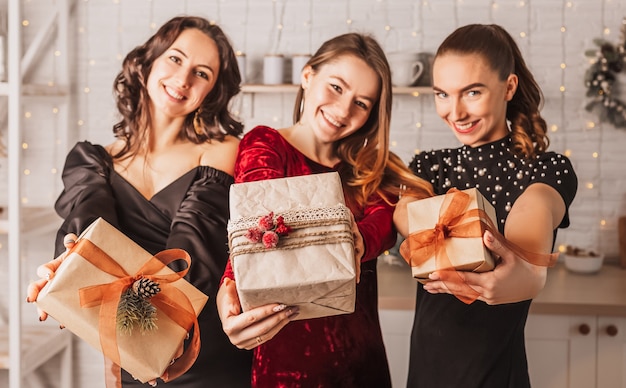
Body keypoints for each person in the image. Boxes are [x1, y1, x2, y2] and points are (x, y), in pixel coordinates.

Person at [26, 16, 252, 387]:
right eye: (175, 60)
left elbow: (193, 260)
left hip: (203, 353)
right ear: (146, 63)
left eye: (202, 73)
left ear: (212, 91)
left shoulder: (220, 151)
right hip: (132, 356)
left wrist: (88, 283)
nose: (183, 80)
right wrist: (64, 273)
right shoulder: (93, 161)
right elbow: (84, 237)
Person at [216, 32, 433, 387]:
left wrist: (358, 238)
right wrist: (230, 279)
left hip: (364, 364)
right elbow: (255, 218)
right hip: (286, 367)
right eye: (336, 87)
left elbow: (381, 224)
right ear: (307, 75)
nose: (344, 110)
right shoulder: (267, 144)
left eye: (362, 103)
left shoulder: (373, 168)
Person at [393, 24, 578, 387]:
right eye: (442, 94)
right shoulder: (430, 165)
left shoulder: (545, 170)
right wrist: (407, 212)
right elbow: (406, 213)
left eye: (471, 92)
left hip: (496, 375)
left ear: (508, 87)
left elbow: (534, 214)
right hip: (425, 372)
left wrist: (529, 274)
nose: (455, 111)